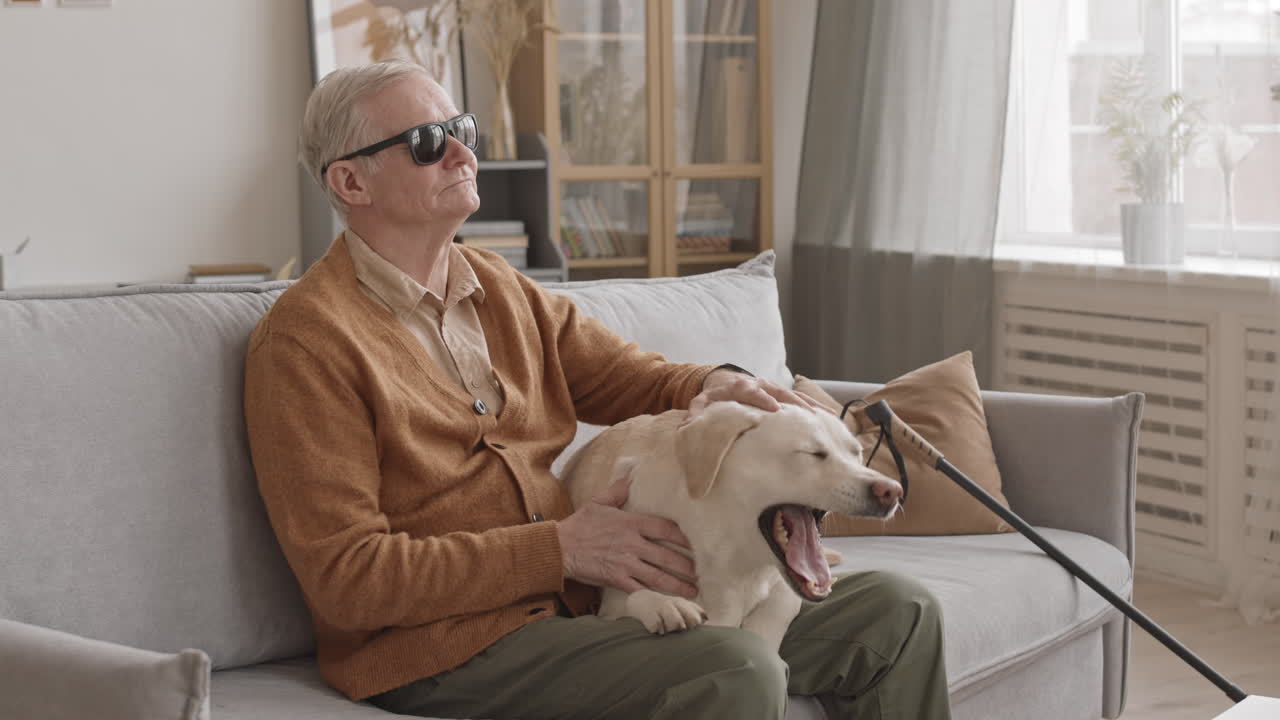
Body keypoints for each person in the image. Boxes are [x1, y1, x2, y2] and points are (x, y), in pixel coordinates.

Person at [243, 59, 952, 720]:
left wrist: (716, 381)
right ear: (350, 184)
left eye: (463, 131)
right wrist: (560, 551)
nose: (464, 153)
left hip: (577, 607)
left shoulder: (499, 286)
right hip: (441, 645)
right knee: (733, 667)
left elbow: (629, 376)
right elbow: (349, 579)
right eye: (429, 142)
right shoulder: (307, 342)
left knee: (897, 609)